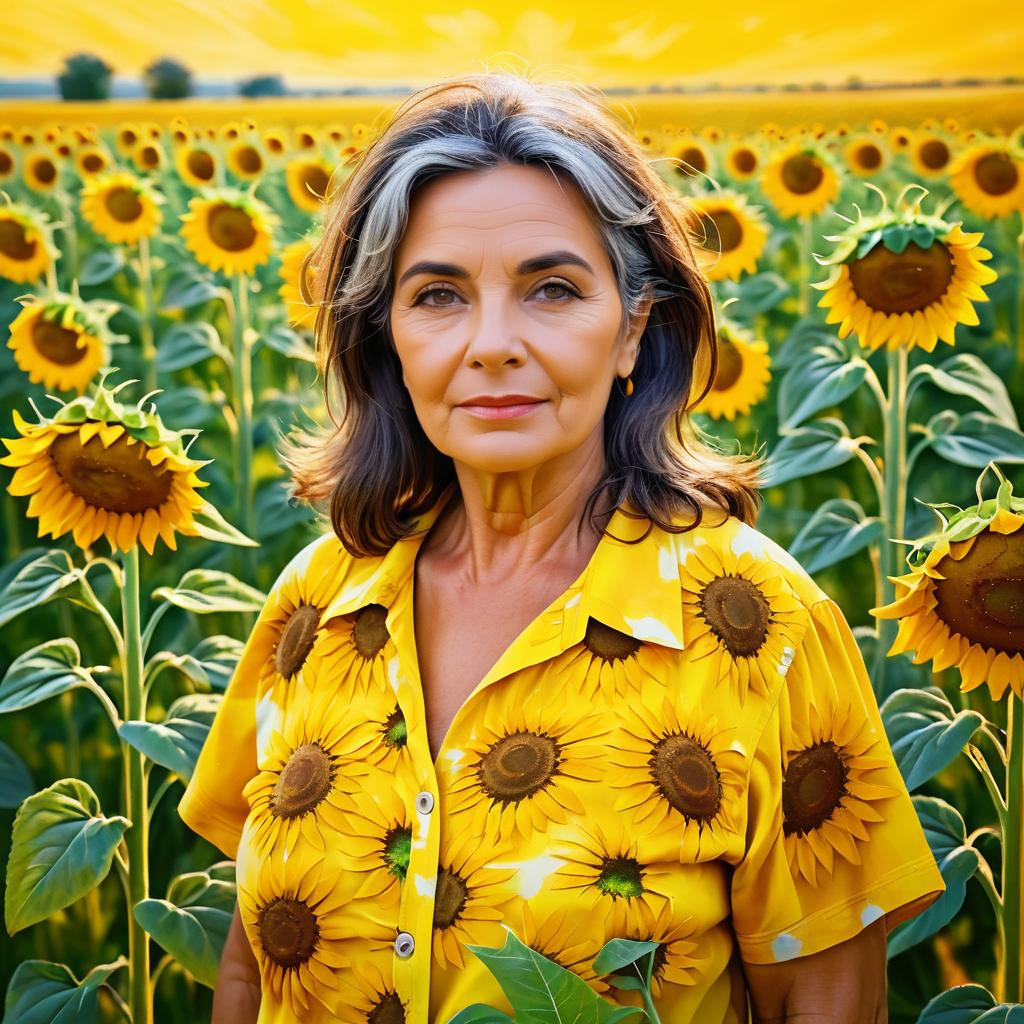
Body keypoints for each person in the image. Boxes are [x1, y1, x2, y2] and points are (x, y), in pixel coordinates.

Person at [177, 71, 945, 1024]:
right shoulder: (314, 605)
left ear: (633, 327)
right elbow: (255, 969)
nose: (492, 343)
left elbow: (826, 999)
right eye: (438, 296)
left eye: (551, 289)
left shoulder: (757, 627)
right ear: (388, 338)